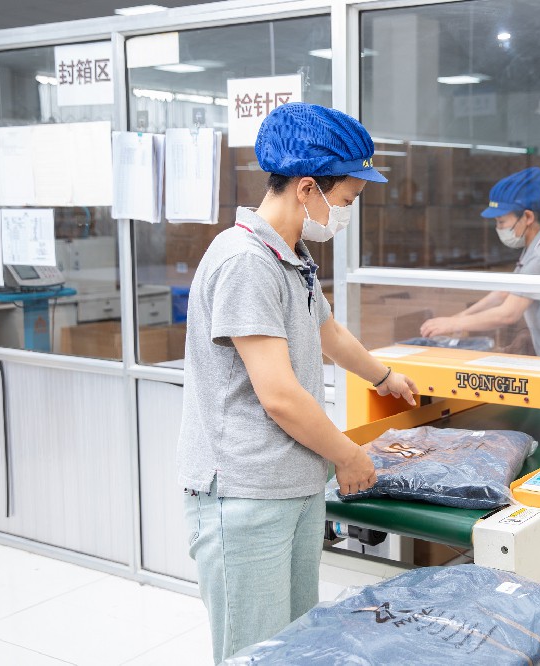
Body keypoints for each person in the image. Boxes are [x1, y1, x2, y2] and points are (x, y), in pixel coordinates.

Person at [177, 102, 419, 664]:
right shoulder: (245, 262)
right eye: (347, 200)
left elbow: (328, 333)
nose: (346, 213)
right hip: (245, 493)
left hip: (294, 484)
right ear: (307, 188)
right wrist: (349, 456)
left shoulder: (290, 254)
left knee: (293, 646)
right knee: (253, 652)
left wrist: (385, 377)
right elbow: (280, 396)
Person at [420, 166, 540, 363]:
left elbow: (508, 314)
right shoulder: (534, 248)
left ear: (528, 217)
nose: (498, 228)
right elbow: (503, 294)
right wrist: (458, 317)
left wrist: (454, 324)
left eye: (502, 222)